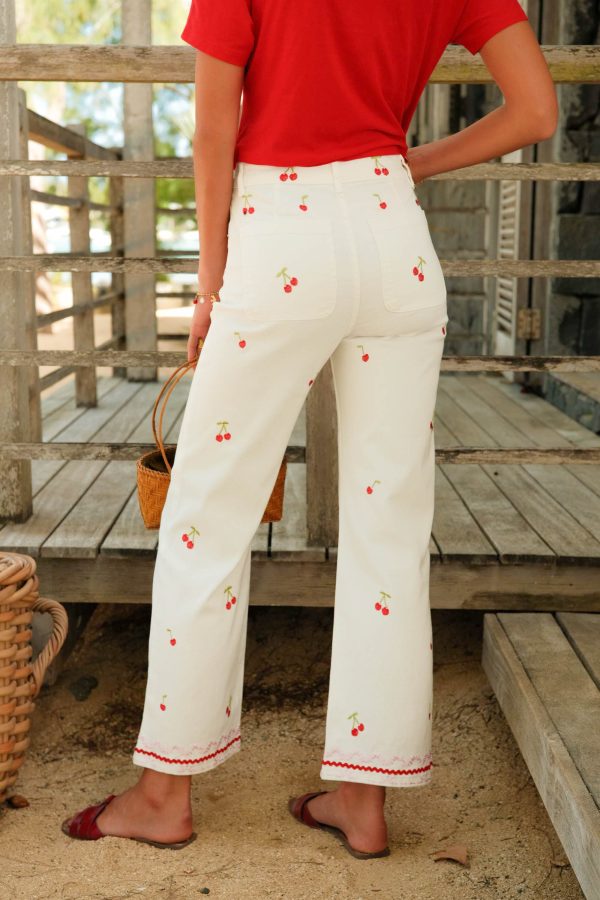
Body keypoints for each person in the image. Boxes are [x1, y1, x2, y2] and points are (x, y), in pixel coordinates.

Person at [62, 0, 558, 858]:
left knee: (208, 514)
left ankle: (163, 795)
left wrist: (210, 285)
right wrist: (408, 164)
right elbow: (537, 111)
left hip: (280, 241)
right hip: (395, 241)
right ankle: (364, 802)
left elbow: (213, 129)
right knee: (389, 528)